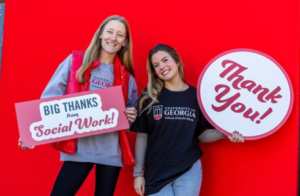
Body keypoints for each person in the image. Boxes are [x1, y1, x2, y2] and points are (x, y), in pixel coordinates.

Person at [18, 15, 138, 196]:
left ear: (124, 42)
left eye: (119, 35)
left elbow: (131, 116)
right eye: (110, 32)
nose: (113, 38)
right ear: (100, 34)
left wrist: (132, 116)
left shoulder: (127, 77)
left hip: (111, 153)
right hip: (79, 149)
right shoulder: (75, 62)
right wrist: (31, 133)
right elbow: (50, 99)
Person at [131, 44, 244, 196]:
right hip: (156, 172)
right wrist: (138, 174)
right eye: (156, 65)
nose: (162, 66)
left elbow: (200, 135)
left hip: (188, 170)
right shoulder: (149, 97)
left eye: (165, 60)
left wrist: (224, 133)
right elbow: (142, 136)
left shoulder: (196, 97)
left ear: (176, 61)